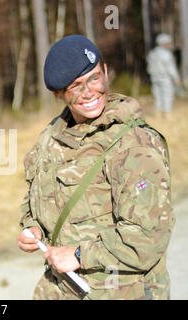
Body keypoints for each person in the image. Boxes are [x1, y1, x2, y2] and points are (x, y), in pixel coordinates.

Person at [17, 35, 174, 300]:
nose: (89, 91)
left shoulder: (133, 145)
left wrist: (78, 254)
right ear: (58, 93)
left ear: (106, 73)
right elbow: (35, 199)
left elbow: (149, 238)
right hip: (60, 290)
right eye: (76, 86)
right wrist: (32, 228)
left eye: (94, 78)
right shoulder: (51, 139)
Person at [146, 33, 182, 118]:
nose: (169, 45)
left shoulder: (152, 53)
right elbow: (171, 68)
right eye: (168, 43)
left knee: (157, 96)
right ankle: (167, 115)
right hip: (165, 78)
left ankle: (157, 114)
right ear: (163, 43)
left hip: (154, 78)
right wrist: (176, 78)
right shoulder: (166, 54)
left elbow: (149, 66)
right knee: (167, 95)